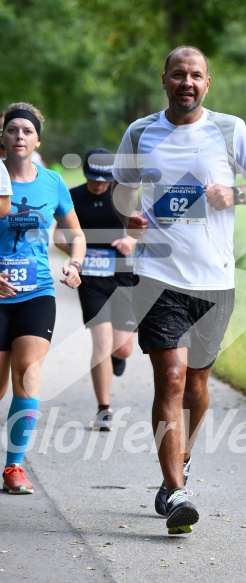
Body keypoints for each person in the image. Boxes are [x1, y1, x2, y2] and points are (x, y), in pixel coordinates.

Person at [112, 46, 246, 534]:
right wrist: (130, 215)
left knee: (199, 387)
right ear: (164, 80)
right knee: (172, 377)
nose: (187, 82)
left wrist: (237, 194)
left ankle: (178, 465)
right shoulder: (141, 132)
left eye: (196, 75)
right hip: (158, 274)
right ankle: (175, 492)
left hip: (215, 279)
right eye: (179, 74)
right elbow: (123, 187)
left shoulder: (229, 130)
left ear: (208, 83)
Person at [0, 102, 86, 494]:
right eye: (13, 129)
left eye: (27, 131)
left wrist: (75, 264)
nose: (20, 136)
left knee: (28, 373)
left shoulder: (52, 183)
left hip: (37, 293)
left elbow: (76, 235)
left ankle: (14, 468)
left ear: (37, 139)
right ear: (2, 136)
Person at [54, 149, 138, 431]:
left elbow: (144, 228)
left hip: (124, 276)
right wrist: (78, 254)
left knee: (123, 348)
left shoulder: (125, 195)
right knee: (101, 343)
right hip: (91, 280)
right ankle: (104, 408)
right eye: (94, 180)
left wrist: (131, 241)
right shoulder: (74, 196)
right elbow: (57, 236)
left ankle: (118, 357)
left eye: (105, 181)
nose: (99, 186)